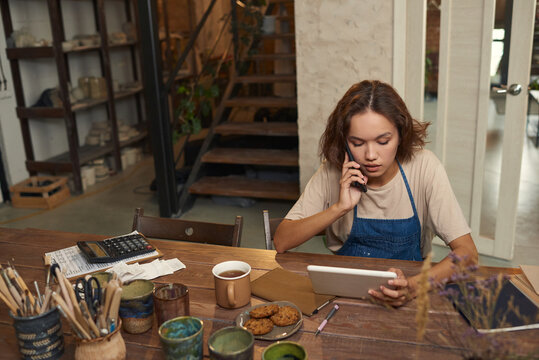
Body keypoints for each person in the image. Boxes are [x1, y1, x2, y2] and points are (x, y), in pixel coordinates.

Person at [274, 80, 478, 307]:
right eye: (357, 142)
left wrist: (413, 287)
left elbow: (468, 254)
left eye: (383, 141)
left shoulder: (424, 167)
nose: (371, 155)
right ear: (344, 140)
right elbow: (282, 241)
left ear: (401, 135)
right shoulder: (333, 169)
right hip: (345, 296)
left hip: (410, 292)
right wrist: (339, 208)